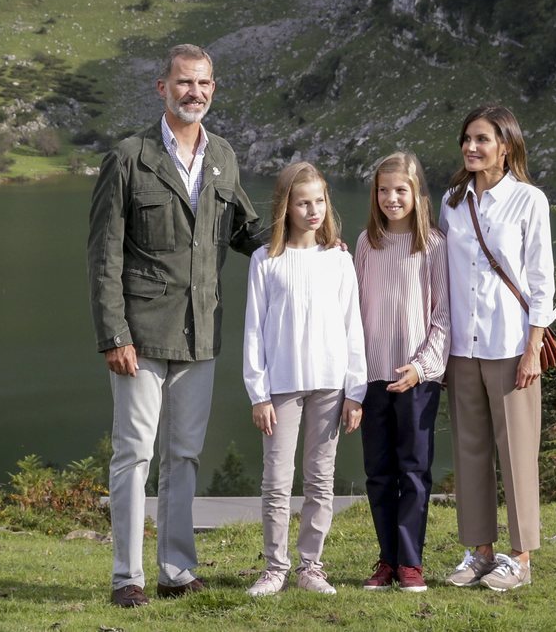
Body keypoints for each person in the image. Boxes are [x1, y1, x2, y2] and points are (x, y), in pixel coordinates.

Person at [87, 43, 264, 608]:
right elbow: (104, 255)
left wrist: (308, 242)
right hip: (139, 334)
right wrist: (114, 334)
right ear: (161, 87)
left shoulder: (223, 157)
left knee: (184, 455)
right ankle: (126, 577)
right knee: (134, 453)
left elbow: (245, 232)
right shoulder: (128, 157)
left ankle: (177, 571)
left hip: (201, 333)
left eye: (205, 83)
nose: (196, 93)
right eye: (185, 83)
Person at [438, 105, 556, 591]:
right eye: (467, 138)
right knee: (470, 450)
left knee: (517, 452)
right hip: (463, 347)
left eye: (482, 139)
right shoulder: (451, 201)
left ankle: (521, 557)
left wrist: (533, 348)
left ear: (505, 146)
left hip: (511, 346)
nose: (471, 147)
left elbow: (541, 281)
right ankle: (479, 552)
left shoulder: (529, 200)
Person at [242, 161, 367, 597]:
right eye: (303, 203)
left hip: (331, 386)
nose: (313, 211)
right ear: (286, 207)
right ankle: (274, 568)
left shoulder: (338, 259)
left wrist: (356, 391)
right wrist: (258, 394)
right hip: (281, 387)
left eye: (319, 201)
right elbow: (254, 331)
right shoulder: (266, 261)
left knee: (320, 479)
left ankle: (310, 566)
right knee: (276, 480)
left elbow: (354, 327)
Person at [354, 151, 450, 593]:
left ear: (417, 194)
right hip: (373, 374)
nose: (392, 198)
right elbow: (350, 309)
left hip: (416, 376)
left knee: (414, 470)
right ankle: (387, 559)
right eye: (384, 190)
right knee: (379, 471)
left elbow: (443, 317)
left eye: (401, 190)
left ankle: (411, 561)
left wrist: (421, 367)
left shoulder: (432, 245)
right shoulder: (365, 244)